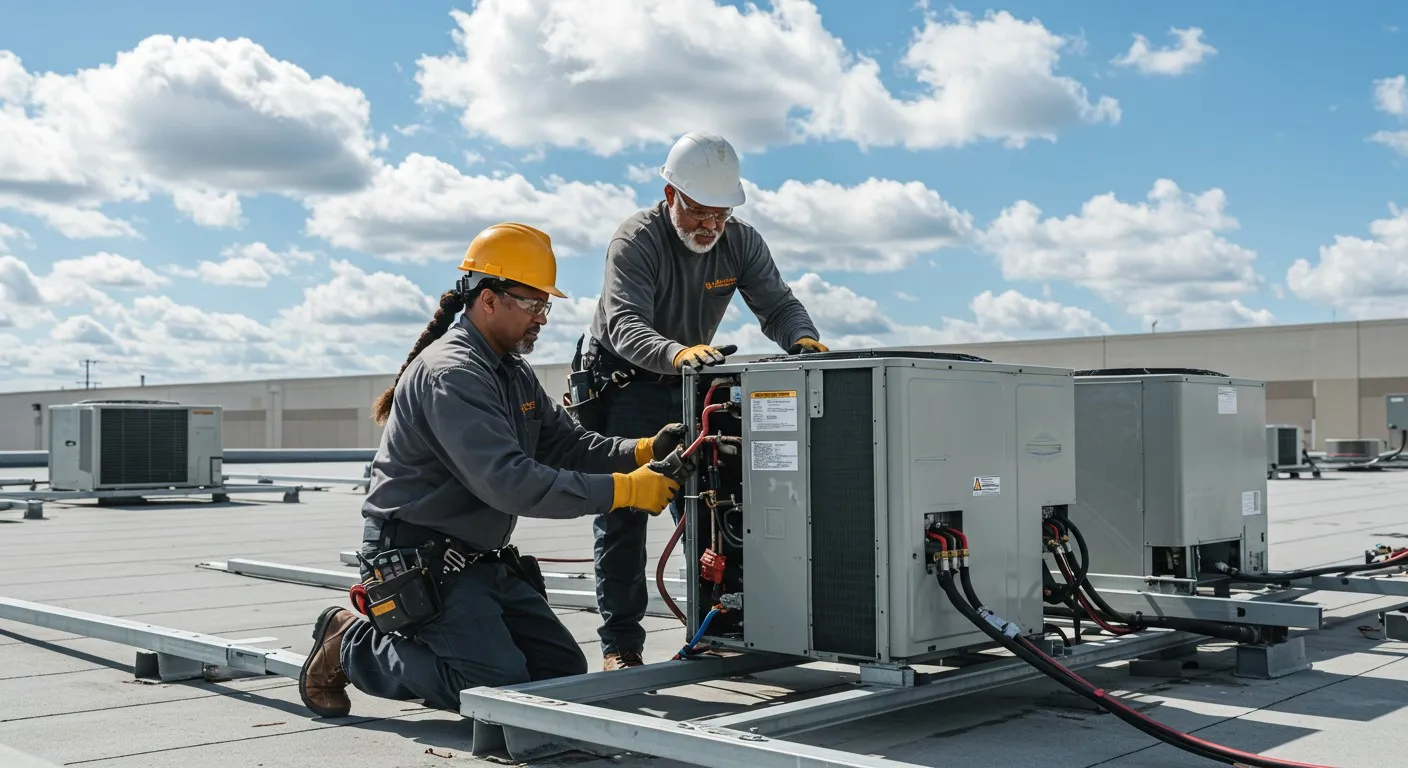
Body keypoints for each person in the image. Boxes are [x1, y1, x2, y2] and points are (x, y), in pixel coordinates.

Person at [297, 222, 687, 718]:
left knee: (560, 677)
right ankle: (349, 643)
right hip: (420, 559)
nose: (541, 318)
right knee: (494, 689)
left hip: (476, 559)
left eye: (545, 306)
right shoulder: (453, 374)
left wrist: (642, 449)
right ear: (488, 298)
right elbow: (510, 482)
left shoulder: (511, 371)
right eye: (532, 304)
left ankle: (452, 648)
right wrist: (626, 490)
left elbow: (565, 444)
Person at [576, 131, 829, 670]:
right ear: (671, 196)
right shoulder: (635, 242)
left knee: (712, 511)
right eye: (700, 214)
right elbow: (624, 326)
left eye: (721, 216)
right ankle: (620, 645)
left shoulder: (740, 242)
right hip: (628, 387)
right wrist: (676, 354)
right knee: (624, 514)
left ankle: (714, 627)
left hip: (693, 384)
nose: (711, 228)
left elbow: (778, 304)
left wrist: (801, 339)